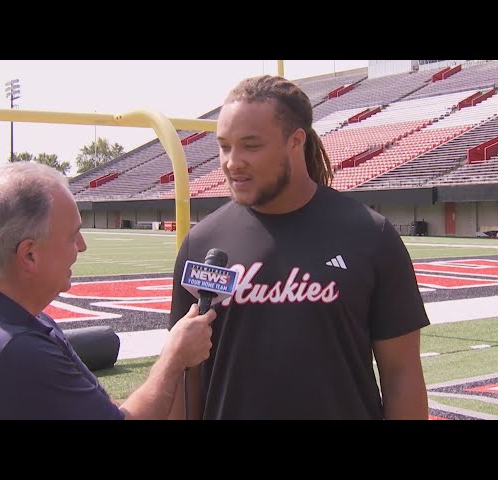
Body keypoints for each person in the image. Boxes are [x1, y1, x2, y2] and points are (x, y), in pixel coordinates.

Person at [168, 75, 429, 420]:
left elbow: (402, 375)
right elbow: (188, 376)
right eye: (225, 146)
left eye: (251, 145)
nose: (232, 162)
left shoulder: (370, 235)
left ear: (296, 141)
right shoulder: (203, 243)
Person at [0, 162, 216, 420]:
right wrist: (174, 358)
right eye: (71, 235)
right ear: (29, 255)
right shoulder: (16, 349)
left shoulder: (8, 322)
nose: (81, 245)